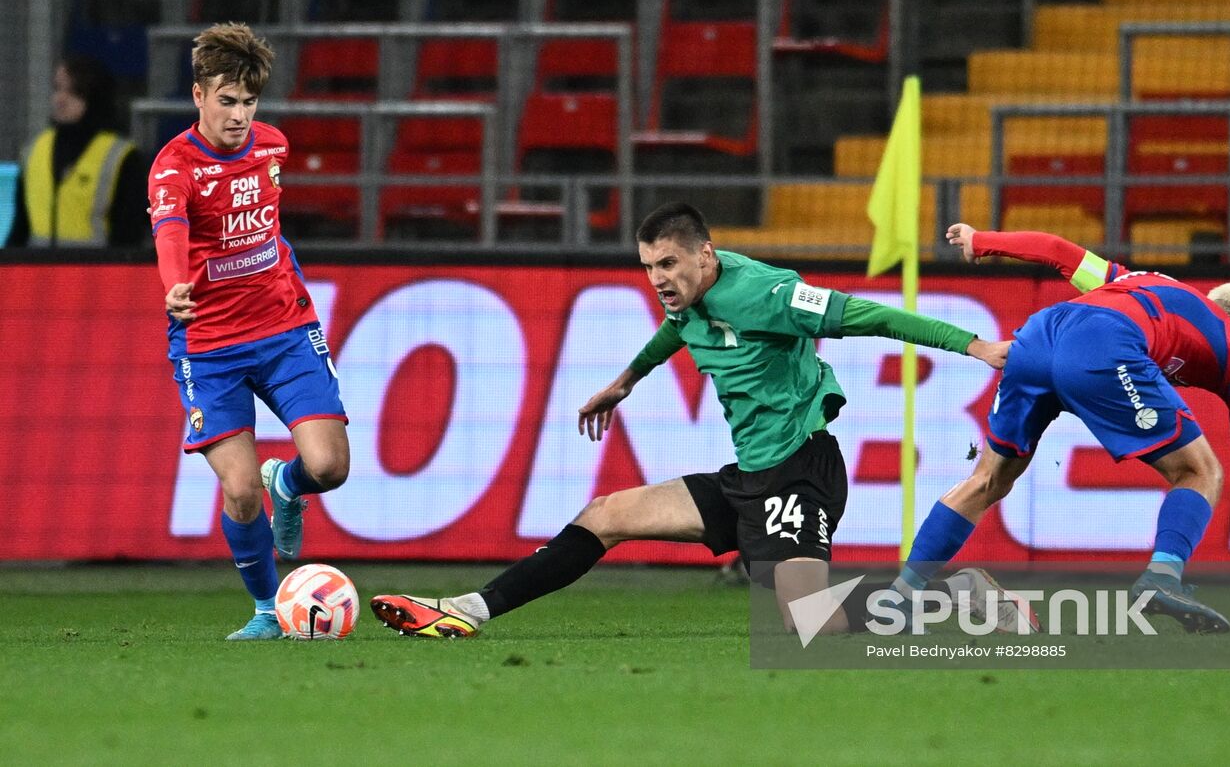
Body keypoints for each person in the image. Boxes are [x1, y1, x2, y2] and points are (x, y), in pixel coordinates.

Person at [372, 202, 1033, 639]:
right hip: (749, 475)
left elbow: (876, 315)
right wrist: (625, 382)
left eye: (668, 264)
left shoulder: (769, 294)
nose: (658, 279)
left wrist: (975, 347)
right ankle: (468, 611)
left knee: (811, 620)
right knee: (607, 513)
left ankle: (956, 592)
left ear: (705, 255)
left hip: (799, 472)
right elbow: (674, 329)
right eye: (648, 267)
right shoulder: (686, 300)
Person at [894, 222, 1230, 634]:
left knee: (987, 478)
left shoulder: (1137, 280)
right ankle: (1162, 579)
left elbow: (1054, 246)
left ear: (1210, 298)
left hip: (1040, 334)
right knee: (1201, 471)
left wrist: (981, 241)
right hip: (1106, 346)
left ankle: (902, 595)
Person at [148, 23, 350, 640]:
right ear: (198, 95)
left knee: (331, 466)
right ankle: (267, 610)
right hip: (208, 348)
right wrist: (174, 283)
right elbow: (171, 229)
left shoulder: (272, 147)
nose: (240, 115)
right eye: (227, 100)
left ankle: (286, 484)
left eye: (249, 102)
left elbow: (268, 222)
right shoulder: (173, 166)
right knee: (238, 491)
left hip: (285, 329)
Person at [7, 54, 146, 247]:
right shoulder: (33, 151)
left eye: (74, 92)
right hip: (38, 274)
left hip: (95, 274)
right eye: (57, 89)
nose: (60, 99)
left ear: (94, 96)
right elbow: (20, 228)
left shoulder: (123, 158)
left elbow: (128, 234)